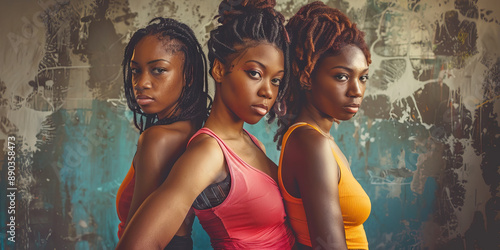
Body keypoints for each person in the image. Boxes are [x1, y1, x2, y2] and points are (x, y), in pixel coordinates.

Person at [116, 0, 295, 249]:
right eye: (255, 73)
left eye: (276, 80)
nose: (267, 91)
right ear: (219, 70)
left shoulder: (252, 143)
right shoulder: (207, 153)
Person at [272, 2, 372, 249]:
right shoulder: (310, 143)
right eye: (341, 76)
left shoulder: (320, 139)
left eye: (363, 77)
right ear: (307, 76)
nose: (356, 90)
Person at [115, 17, 211, 249]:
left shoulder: (157, 139)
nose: (142, 83)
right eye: (136, 71)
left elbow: (135, 242)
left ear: (187, 75)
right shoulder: (198, 130)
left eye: (158, 70)